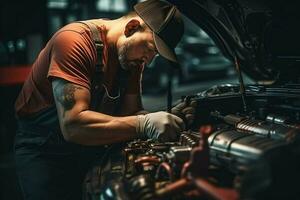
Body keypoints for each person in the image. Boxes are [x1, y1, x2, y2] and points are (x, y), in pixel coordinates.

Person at [14, 0, 196, 199]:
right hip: (45, 150)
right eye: (150, 48)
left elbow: (131, 116)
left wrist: (165, 119)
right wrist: (144, 124)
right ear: (132, 27)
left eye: (155, 55)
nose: (149, 60)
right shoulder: (73, 41)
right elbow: (74, 126)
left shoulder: (131, 62)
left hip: (91, 145)